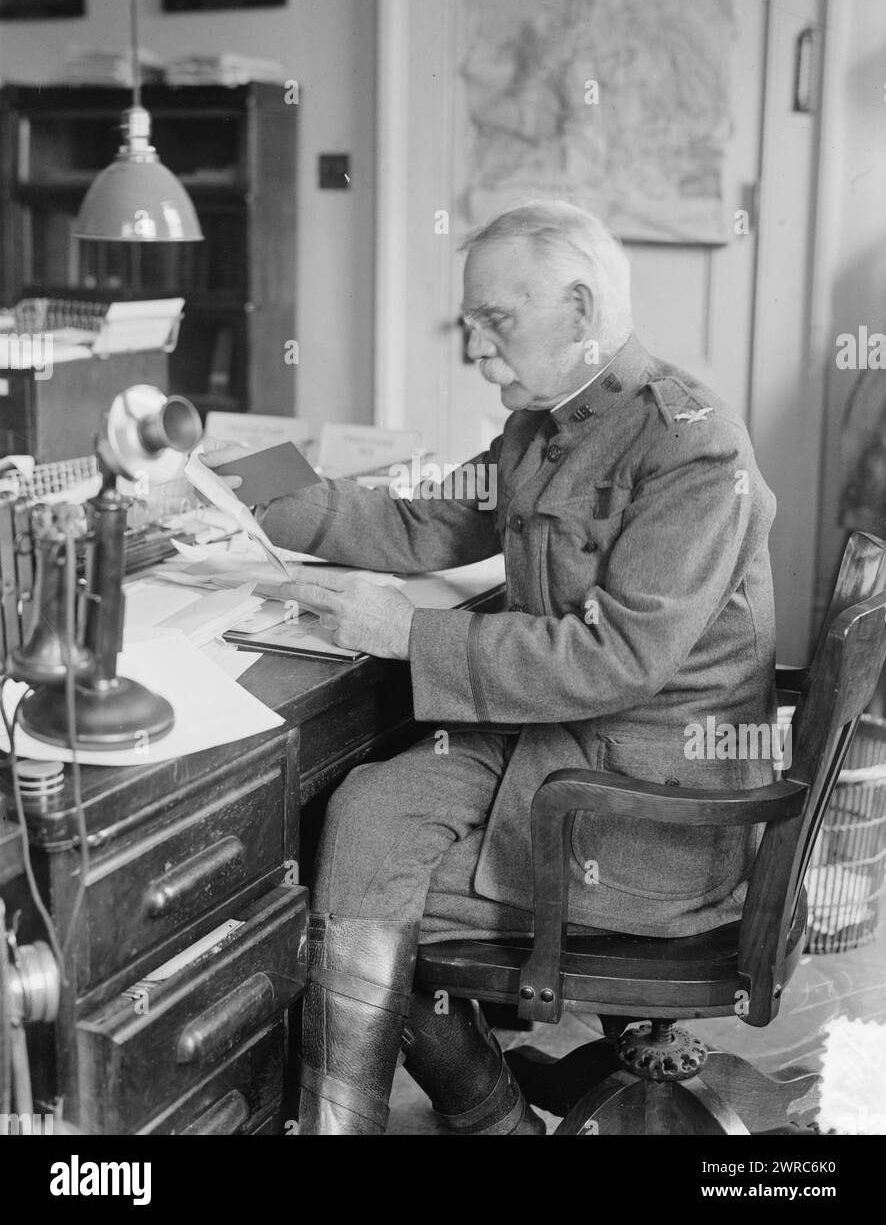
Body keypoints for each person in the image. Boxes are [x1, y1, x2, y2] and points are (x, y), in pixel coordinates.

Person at [204, 201, 778, 1135]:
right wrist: (260, 477)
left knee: (354, 886)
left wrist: (404, 634)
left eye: (495, 320)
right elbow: (423, 520)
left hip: (641, 810)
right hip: (550, 743)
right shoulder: (544, 424)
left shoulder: (693, 447)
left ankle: (407, 1119)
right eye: (470, 321)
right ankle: (497, 1118)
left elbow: (616, 655)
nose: (473, 346)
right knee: (366, 810)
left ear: (582, 308)